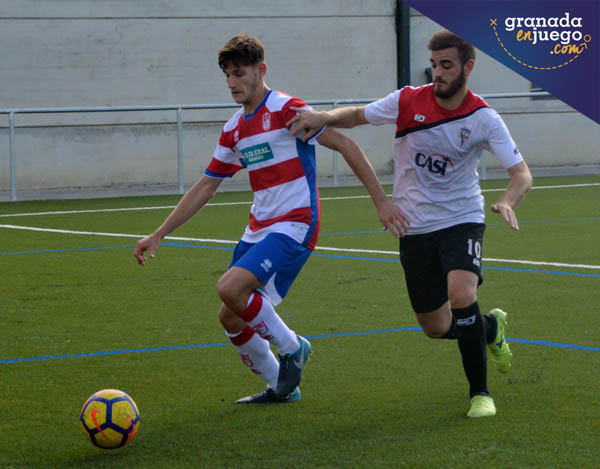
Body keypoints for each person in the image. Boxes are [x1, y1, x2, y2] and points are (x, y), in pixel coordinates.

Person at [134, 33, 409, 404]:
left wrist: (381, 202)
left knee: (230, 289)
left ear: (261, 70)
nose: (232, 83)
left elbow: (346, 144)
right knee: (230, 317)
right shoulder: (234, 129)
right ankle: (282, 386)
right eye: (227, 75)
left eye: (239, 73)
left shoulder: (287, 110)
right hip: (258, 228)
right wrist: (159, 233)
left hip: (295, 223)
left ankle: (293, 347)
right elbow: (206, 186)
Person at [287, 30, 533, 417]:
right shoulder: (406, 100)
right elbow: (355, 116)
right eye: (434, 65)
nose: (438, 73)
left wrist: (505, 200)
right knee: (436, 326)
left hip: (462, 218)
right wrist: (323, 116)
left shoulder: (483, 117)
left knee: (461, 293)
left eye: (447, 65)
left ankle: (480, 395)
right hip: (414, 225)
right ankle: (489, 329)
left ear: (468, 67)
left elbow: (521, 173)